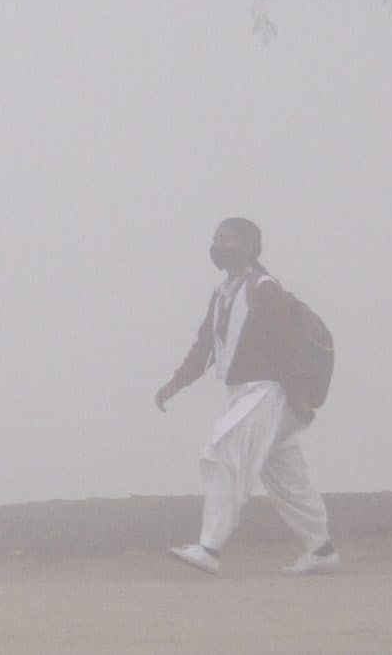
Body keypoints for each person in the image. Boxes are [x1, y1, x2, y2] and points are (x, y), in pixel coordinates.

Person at [153, 216, 340, 576]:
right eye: (215, 240)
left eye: (226, 240)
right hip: (246, 391)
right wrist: (175, 384)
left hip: (267, 391)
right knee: (286, 476)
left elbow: (285, 345)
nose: (218, 247)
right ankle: (322, 550)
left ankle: (209, 548)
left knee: (221, 455)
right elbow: (206, 346)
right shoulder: (224, 294)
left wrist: (299, 397)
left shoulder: (264, 289)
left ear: (250, 247)